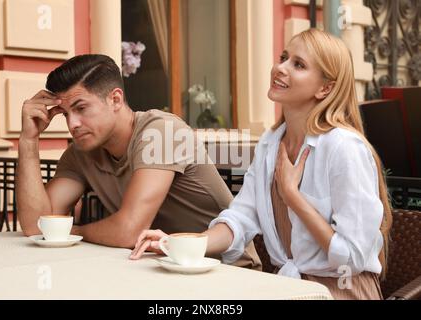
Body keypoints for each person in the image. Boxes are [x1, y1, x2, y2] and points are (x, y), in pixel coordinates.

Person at [130, 29, 393, 300]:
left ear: (325, 88)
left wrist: (293, 196)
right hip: (288, 290)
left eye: (298, 64)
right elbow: (240, 219)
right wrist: (178, 245)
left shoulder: (344, 148)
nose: (280, 68)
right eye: (283, 57)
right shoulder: (271, 143)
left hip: (341, 291)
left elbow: (353, 257)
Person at [15, 54, 261, 270]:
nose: (72, 124)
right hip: (154, 268)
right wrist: (28, 140)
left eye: (81, 108)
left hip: (224, 270)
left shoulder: (162, 132)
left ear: (115, 99)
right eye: (66, 114)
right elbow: (37, 226)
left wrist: (71, 232)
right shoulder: (82, 152)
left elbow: (128, 230)